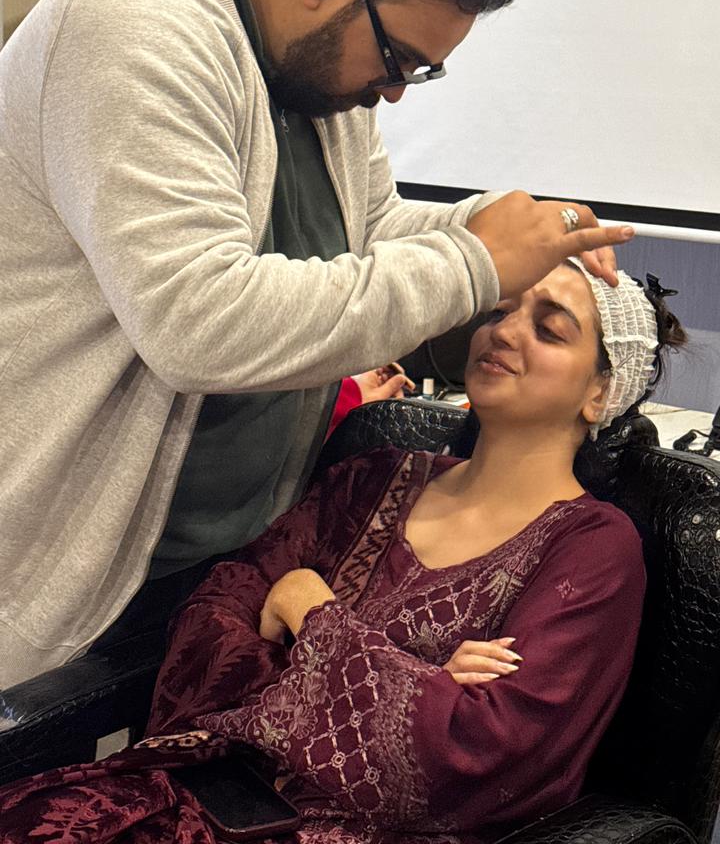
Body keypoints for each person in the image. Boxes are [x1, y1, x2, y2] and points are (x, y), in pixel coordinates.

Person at [0, 0, 634, 685]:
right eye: (400, 59)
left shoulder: (315, 74)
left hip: (223, 556)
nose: (395, 94)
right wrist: (475, 259)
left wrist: (499, 230)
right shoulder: (134, 27)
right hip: (71, 558)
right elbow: (198, 324)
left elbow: (367, 237)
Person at [0, 262, 685, 844]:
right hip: (201, 788)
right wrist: (418, 680)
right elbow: (209, 623)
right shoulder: (372, 476)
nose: (503, 332)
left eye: (549, 329)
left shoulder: (593, 550)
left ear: (601, 392)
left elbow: (477, 759)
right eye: (501, 311)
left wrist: (309, 610)